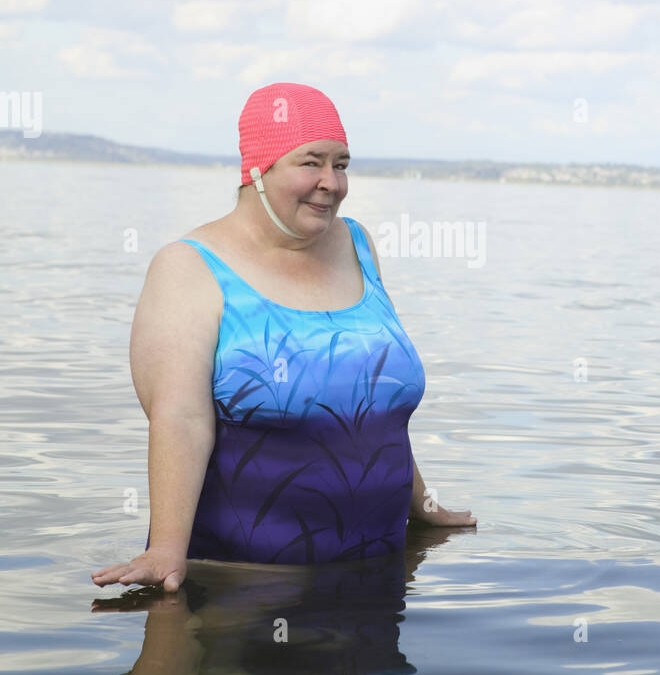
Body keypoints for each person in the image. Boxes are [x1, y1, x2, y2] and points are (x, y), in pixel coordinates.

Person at [92, 81, 476, 592]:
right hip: (243, 587)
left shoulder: (356, 244)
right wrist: (165, 548)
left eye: (341, 164)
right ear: (257, 169)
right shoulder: (189, 268)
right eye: (310, 162)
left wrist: (424, 508)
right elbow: (180, 418)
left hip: (377, 582)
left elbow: (373, 405)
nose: (331, 182)